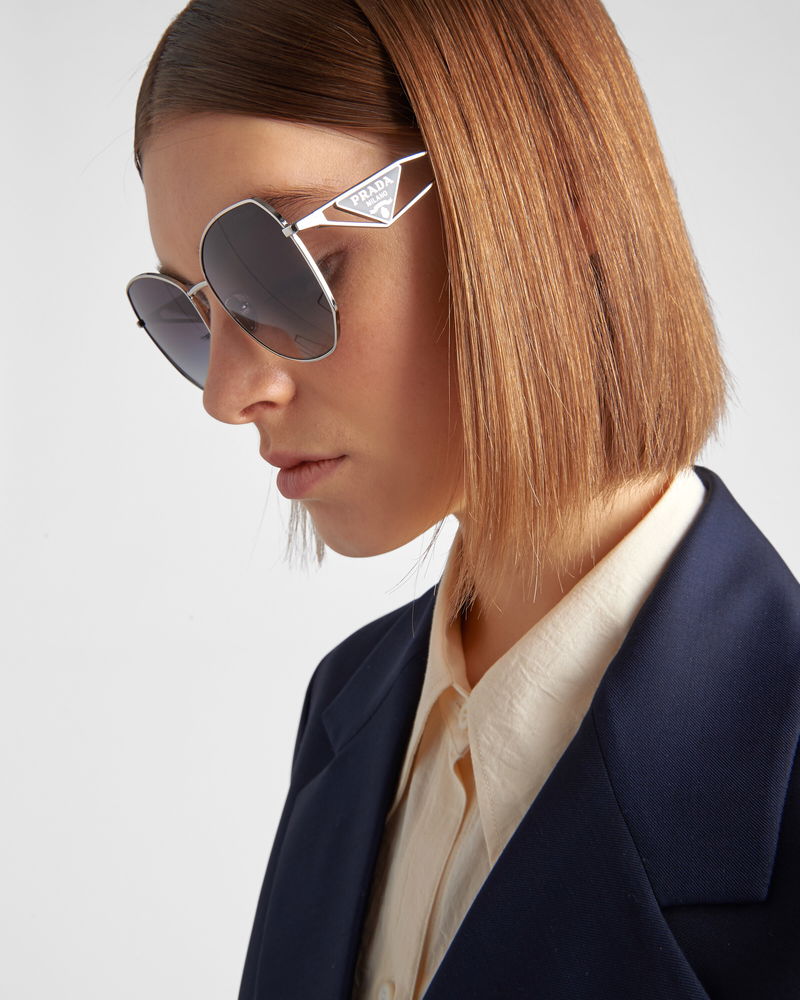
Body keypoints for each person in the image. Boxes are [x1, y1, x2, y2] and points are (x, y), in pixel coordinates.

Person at [125, 0, 800, 997]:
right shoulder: (349, 708)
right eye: (189, 310)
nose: (228, 394)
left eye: (287, 270)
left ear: (556, 208)